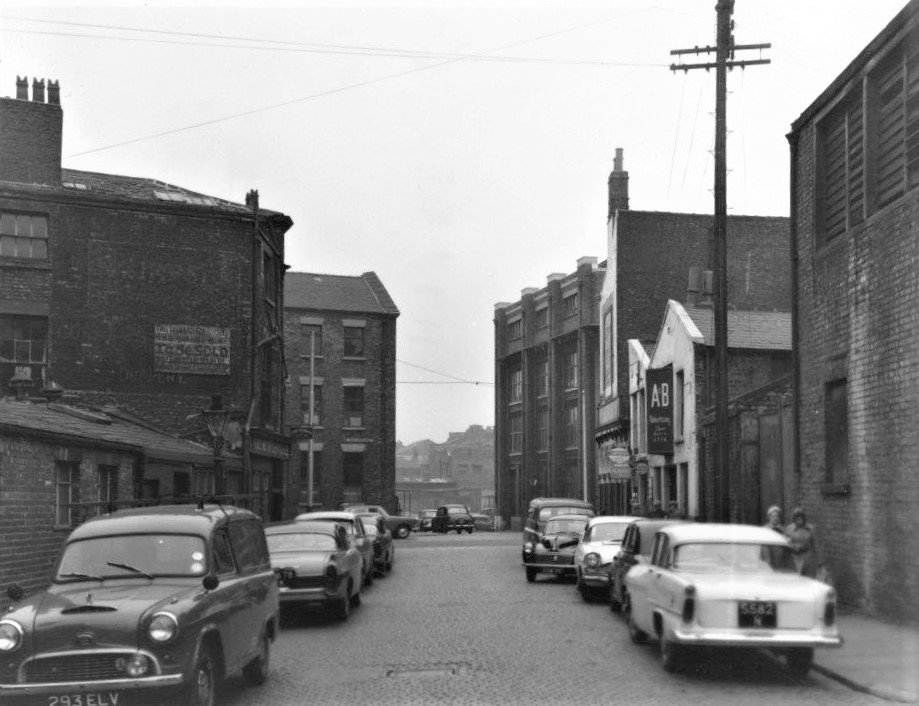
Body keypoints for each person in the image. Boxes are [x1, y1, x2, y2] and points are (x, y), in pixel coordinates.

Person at [785, 506, 820, 578]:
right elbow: (785, 543)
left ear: (804, 517)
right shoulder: (789, 528)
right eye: (797, 517)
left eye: (801, 516)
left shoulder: (811, 528)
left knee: (809, 581)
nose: (799, 519)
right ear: (794, 518)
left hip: (809, 560)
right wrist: (794, 546)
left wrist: (820, 562)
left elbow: (817, 545)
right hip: (795, 559)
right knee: (796, 581)